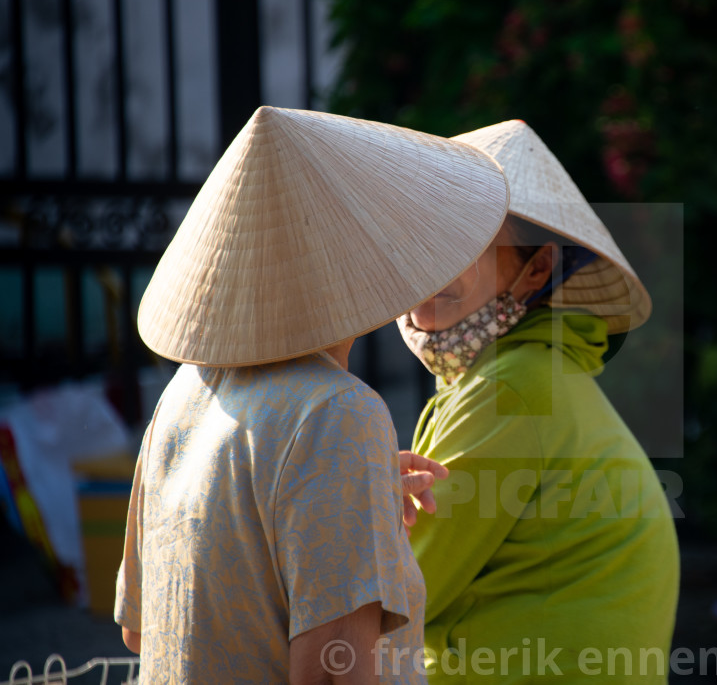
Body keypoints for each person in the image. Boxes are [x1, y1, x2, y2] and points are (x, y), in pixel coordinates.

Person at [113, 106, 509, 684]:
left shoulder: (185, 391)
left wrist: (348, 499)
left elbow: (140, 627)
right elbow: (332, 673)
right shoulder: (338, 414)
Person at [398, 120, 680, 682]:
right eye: (429, 234)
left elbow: (395, 591)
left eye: (471, 242)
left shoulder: (512, 388)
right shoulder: (528, 376)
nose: (436, 263)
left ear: (538, 270)